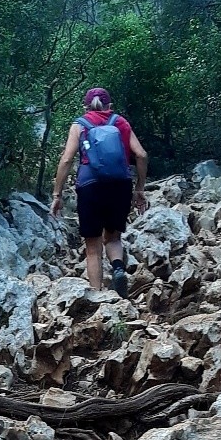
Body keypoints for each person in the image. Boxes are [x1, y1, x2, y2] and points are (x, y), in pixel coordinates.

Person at [50, 87, 148, 295]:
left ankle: (97, 296)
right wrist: (139, 188)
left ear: (86, 106)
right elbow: (141, 155)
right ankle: (119, 268)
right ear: (109, 105)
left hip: (90, 186)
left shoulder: (80, 125)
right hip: (120, 185)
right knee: (113, 238)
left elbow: (67, 159)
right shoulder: (120, 122)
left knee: (93, 247)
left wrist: (57, 194)